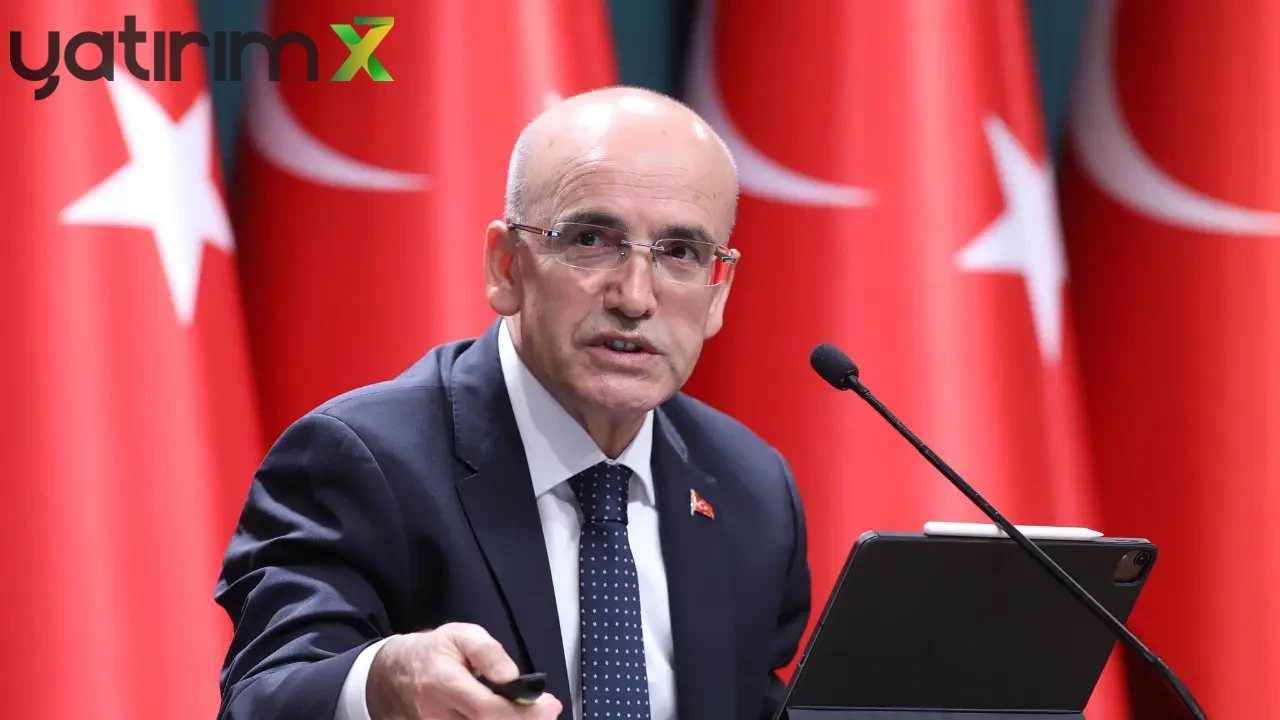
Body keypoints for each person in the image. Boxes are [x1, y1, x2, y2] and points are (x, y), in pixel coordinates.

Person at [215, 86, 812, 720]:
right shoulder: (363, 462)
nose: (635, 298)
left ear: (718, 292)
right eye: (591, 239)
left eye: (680, 253)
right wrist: (383, 682)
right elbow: (262, 696)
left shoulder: (750, 488)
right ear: (506, 266)